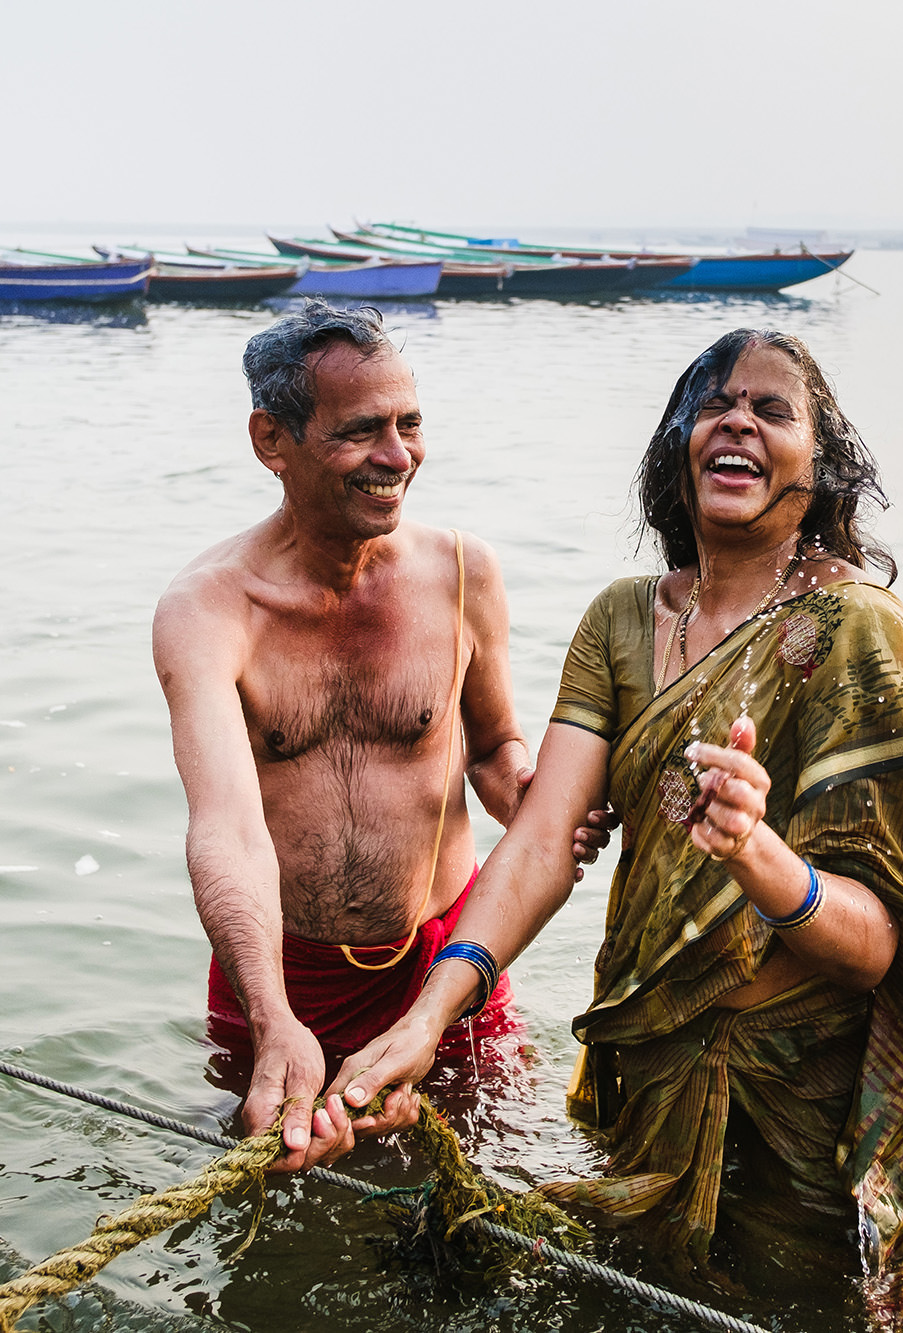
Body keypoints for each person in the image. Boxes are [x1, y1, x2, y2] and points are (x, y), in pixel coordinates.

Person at [331, 328, 903, 1311]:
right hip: (649, 1074)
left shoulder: (860, 633)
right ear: (676, 445)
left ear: (821, 465)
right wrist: (427, 1015)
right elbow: (542, 842)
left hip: (802, 1117)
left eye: (773, 410)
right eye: (715, 403)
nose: (738, 420)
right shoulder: (621, 620)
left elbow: (894, 951)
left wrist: (760, 858)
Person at [153, 301, 606, 1173]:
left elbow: (492, 749)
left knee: (493, 1186)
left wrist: (545, 806)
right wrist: (273, 1015)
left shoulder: (464, 570)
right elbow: (226, 828)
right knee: (279, 1211)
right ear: (271, 440)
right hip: (285, 981)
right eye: (361, 431)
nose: (398, 458)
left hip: (446, 962)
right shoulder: (209, 608)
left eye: (410, 424)